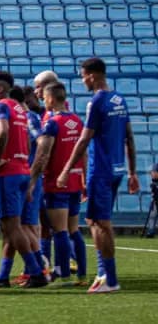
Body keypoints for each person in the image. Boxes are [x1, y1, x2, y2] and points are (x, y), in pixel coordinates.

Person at [58, 57, 139, 293]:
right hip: (117, 168)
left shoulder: (97, 102)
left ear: (92, 75)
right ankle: (103, 273)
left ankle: (111, 279)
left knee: (101, 223)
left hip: (101, 171)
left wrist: (66, 170)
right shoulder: (119, 100)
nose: (82, 80)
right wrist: (132, 172)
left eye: (83, 76)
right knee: (94, 220)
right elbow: (129, 138)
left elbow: (84, 139)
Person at [0, 71, 48, 288]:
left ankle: (36, 272)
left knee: (11, 226)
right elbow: (30, 142)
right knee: (14, 226)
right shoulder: (21, 109)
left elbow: (2, 130)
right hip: (22, 170)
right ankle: (3, 277)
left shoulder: (0, 107)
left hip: (7, 173)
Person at [28, 82, 87, 286]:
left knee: (59, 230)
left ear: (51, 98)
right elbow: (83, 151)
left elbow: (44, 154)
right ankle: (81, 274)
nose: (43, 100)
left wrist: (33, 180)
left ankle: (62, 275)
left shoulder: (52, 123)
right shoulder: (77, 121)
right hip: (74, 181)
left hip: (56, 182)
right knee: (73, 229)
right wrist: (84, 178)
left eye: (44, 97)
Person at [12, 85, 48, 285]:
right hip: (25, 177)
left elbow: (42, 144)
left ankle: (40, 268)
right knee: (25, 224)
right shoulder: (22, 119)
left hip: (29, 178)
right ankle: (32, 269)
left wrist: (34, 178)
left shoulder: (29, 118)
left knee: (29, 225)